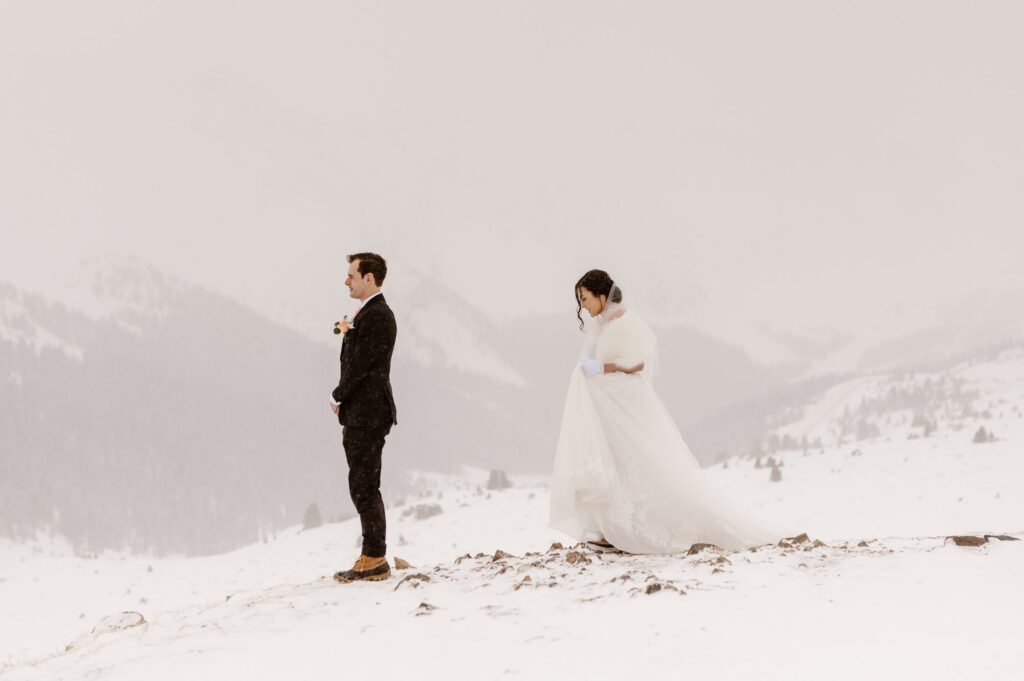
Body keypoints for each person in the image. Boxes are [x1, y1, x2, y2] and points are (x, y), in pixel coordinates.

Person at [549, 269, 778, 554]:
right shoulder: (606, 325)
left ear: (601, 295)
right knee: (618, 463)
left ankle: (628, 529)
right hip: (613, 407)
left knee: (637, 464)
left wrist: (600, 369)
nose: (582, 306)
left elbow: (638, 365)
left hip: (628, 407)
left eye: (585, 299)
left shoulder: (625, 324)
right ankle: (613, 529)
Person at [330, 252, 398, 582]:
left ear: (369, 278)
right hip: (362, 413)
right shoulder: (367, 313)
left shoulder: (378, 316)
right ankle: (371, 555)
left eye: (352, 275)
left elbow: (361, 365)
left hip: (369, 413)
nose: (346, 281)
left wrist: (338, 394)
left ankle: (374, 557)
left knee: (365, 486)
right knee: (361, 484)